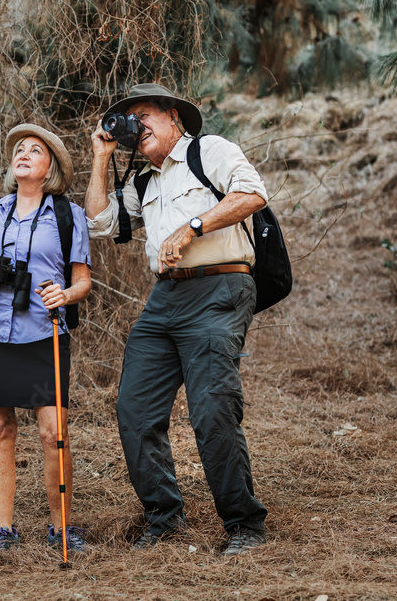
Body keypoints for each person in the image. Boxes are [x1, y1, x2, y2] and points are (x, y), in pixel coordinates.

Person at [84, 83, 269, 556]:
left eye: (142, 115)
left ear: (173, 118)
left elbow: (252, 194)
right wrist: (102, 158)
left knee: (211, 410)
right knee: (135, 408)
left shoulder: (210, 151)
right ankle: (164, 518)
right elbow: (100, 224)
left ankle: (244, 523)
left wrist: (193, 227)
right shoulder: (144, 180)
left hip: (220, 287)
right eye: (129, 120)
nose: (136, 126)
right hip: (164, 298)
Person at [0, 124, 91, 553]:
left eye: (35, 150)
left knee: (53, 431)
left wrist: (64, 294)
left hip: (42, 333)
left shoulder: (68, 217)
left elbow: (82, 281)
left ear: (50, 168)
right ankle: (3, 528)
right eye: (19, 150)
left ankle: (61, 527)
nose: (24, 154)